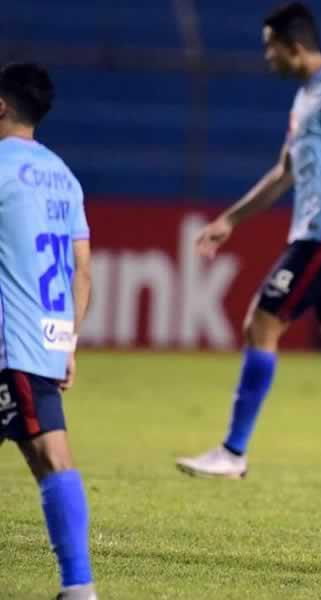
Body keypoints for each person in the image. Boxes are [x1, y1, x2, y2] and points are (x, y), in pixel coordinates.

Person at [176, 2, 321, 485]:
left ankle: (232, 452)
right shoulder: (306, 96)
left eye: (270, 47)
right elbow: (285, 173)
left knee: (262, 322)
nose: (267, 57)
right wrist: (229, 221)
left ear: (294, 46)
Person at [0, 62, 98, 600]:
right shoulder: (64, 175)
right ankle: (78, 587)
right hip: (41, 342)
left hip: (8, 343)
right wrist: (68, 341)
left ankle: (80, 587)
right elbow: (82, 268)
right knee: (52, 459)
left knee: (53, 459)